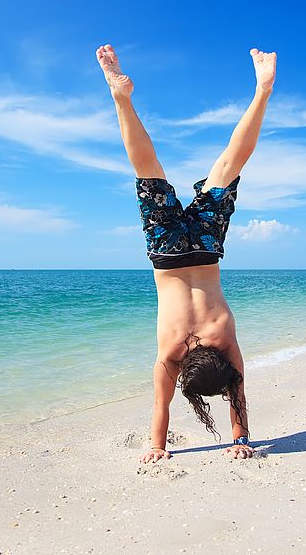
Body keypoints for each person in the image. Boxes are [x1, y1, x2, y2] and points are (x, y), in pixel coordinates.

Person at [96, 44, 276, 463]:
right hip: (167, 255)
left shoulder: (224, 340)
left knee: (230, 164)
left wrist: (240, 439)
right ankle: (119, 98)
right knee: (147, 169)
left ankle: (262, 91)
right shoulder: (171, 352)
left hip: (207, 250)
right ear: (187, 372)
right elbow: (161, 407)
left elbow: (238, 396)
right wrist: (156, 447)